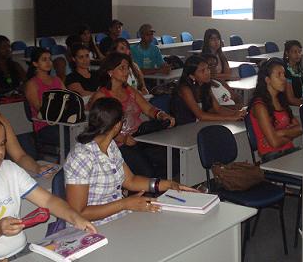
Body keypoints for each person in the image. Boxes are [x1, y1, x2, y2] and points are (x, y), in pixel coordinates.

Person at [0, 114, 96, 260]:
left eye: (2, 144)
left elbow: (48, 201)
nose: (0, 151)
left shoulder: (9, 169)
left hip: (24, 251)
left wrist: (76, 218)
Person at [64, 97, 196, 225]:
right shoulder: (81, 156)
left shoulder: (110, 146)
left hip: (118, 218)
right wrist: (124, 204)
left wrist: (167, 184)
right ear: (117, 126)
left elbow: (130, 181)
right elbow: (78, 212)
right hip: (92, 228)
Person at [247, 58, 303, 247]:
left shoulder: (280, 101)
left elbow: (299, 128)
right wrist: (285, 133)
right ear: (267, 79)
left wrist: (281, 133)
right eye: (278, 75)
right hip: (272, 160)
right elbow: (272, 142)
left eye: (283, 74)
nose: (283, 79)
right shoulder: (259, 105)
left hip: (290, 154)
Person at [88, 53, 175, 177]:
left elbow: (148, 109)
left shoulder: (129, 90)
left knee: (168, 161)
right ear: (110, 72)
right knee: (148, 172)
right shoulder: (101, 96)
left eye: (127, 68)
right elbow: (99, 129)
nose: (127, 72)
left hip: (139, 137)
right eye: (121, 68)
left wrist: (161, 115)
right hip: (117, 144)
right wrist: (123, 138)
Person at [172, 55, 246, 125]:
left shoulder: (205, 85)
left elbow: (218, 108)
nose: (207, 72)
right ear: (192, 76)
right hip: (186, 127)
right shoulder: (185, 89)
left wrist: (236, 113)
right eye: (202, 71)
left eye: (207, 68)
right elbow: (200, 115)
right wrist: (231, 117)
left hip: (200, 123)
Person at [24, 48, 65, 148]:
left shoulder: (57, 80)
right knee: (68, 136)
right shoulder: (32, 84)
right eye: (44, 59)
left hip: (62, 121)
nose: (48, 62)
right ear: (35, 63)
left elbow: (68, 99)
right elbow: (41, 109)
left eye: (50, 59)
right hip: (44, 126)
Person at [282, 40, 303, 106]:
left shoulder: (300, 69)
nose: (298, 54)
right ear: (287, 53)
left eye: (299, 52)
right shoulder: (285, 71)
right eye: (294, 52)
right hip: (292, 106)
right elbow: (290, 99)